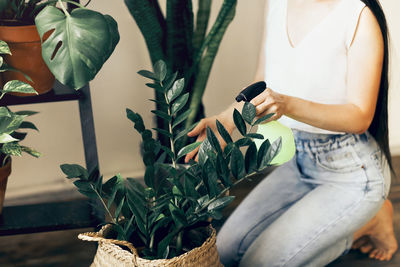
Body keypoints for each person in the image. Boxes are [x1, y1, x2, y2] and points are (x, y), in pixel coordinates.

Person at [184, 0, 398, 266]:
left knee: (257, 263)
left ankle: (367, 223)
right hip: (300, 162)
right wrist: (227, 119)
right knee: (223, 253)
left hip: (352, 172)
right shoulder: (276, 4)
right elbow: (263, 80)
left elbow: (359, 117)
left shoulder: (358, 15)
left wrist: (287, 105)